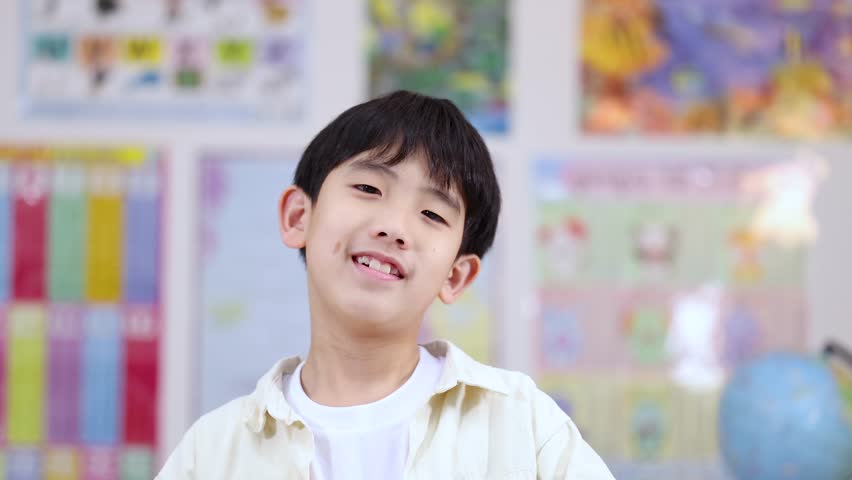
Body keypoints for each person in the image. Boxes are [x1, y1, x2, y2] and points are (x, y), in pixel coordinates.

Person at [156, 91, 615, 479]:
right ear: (299, 217)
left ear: (456, 276)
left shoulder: (524, 426)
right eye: (369, 189)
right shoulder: (212, 452)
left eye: (432, 214)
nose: (395, 227)